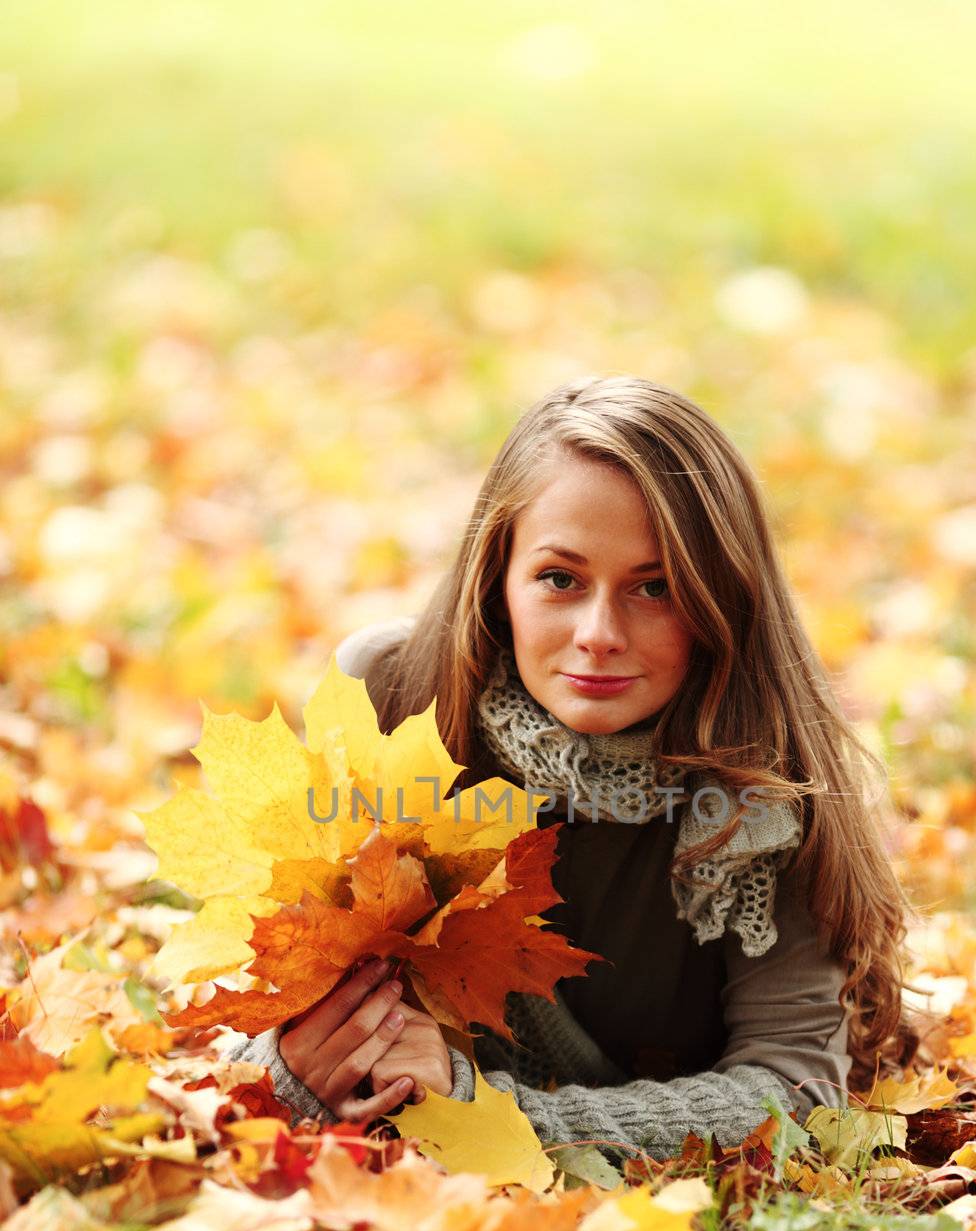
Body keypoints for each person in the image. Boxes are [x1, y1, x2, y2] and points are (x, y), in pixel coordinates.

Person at [220, 375, 910, 1169]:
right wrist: (292, 1077)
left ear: (722, 599)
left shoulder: (765, 780)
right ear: (498, 579)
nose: (598, 633)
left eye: (655, 588)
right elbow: (264, 1012)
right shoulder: (394, 699)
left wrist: (487, 1115)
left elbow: (793, 1092)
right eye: (560, 579)